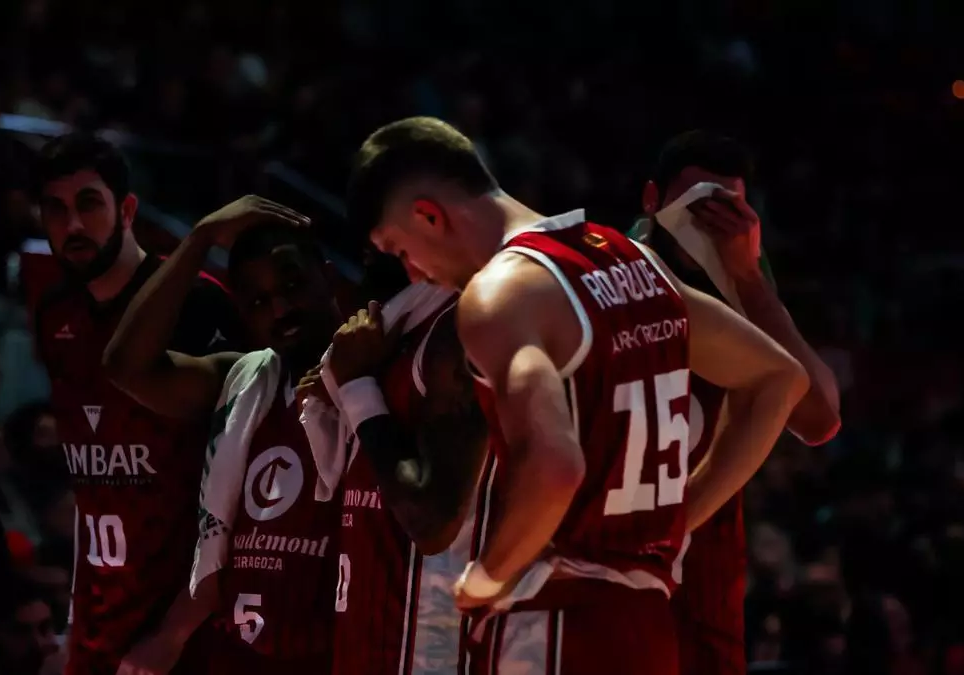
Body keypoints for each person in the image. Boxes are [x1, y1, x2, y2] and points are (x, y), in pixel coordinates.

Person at [344, 116, 810, 674]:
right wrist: (679, 519)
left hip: (554, 620)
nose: (416, 274)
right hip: (645, 623)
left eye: (400, 251)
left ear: (428, 215)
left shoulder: (500, 294)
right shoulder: (633, 260)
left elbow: (556, 468)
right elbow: (779, 378)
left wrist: (485, 577)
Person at [29, 133, 245, 675]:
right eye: (55, 209)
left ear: (126, 210)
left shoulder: (196, 301)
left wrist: (175, 631)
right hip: (99, 620)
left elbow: (237, 485)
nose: (72, 225)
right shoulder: (53, 312)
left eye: (88, 204)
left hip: (184, 629)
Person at [630, 130, 841, 675]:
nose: (707, 224)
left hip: (705, 555)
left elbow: (819, 418)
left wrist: (748, 278)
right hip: (615, 546)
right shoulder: (613, 269)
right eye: (693, 206)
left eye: (726, 209)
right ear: (652, 200)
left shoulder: (744, 278)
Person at [103, 199, 343, 674]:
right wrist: (200, 239)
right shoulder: (240, 381)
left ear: (328, 277)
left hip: (336, 655)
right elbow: (124, 366)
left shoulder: (375, 374)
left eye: (292, 285)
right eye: (257, 301)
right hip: (240, 652)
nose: (280, 308)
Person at [296, 276, 486, 675]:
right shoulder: (398, 319)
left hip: (429, 651)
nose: (379, 250)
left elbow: (431, 524)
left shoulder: (467, 323)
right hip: (363, 644)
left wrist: (355, 384)